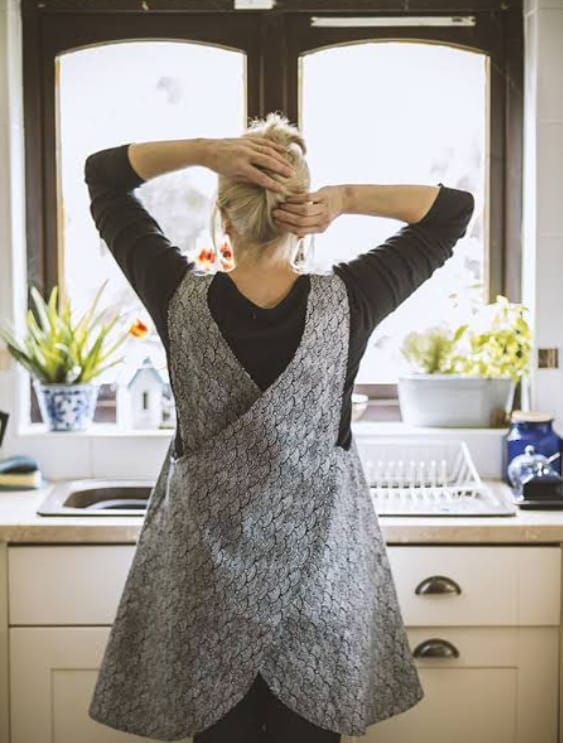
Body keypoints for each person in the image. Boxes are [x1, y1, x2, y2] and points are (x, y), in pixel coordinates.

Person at [84, 112, 475, 743]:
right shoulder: (354, 297)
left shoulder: (175, 295)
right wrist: (344, 200)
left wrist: (207, 151)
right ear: (304, 213)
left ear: (224, 218)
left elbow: (103, 179)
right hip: (318, 604)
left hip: (206, 604)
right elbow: (451, 211)